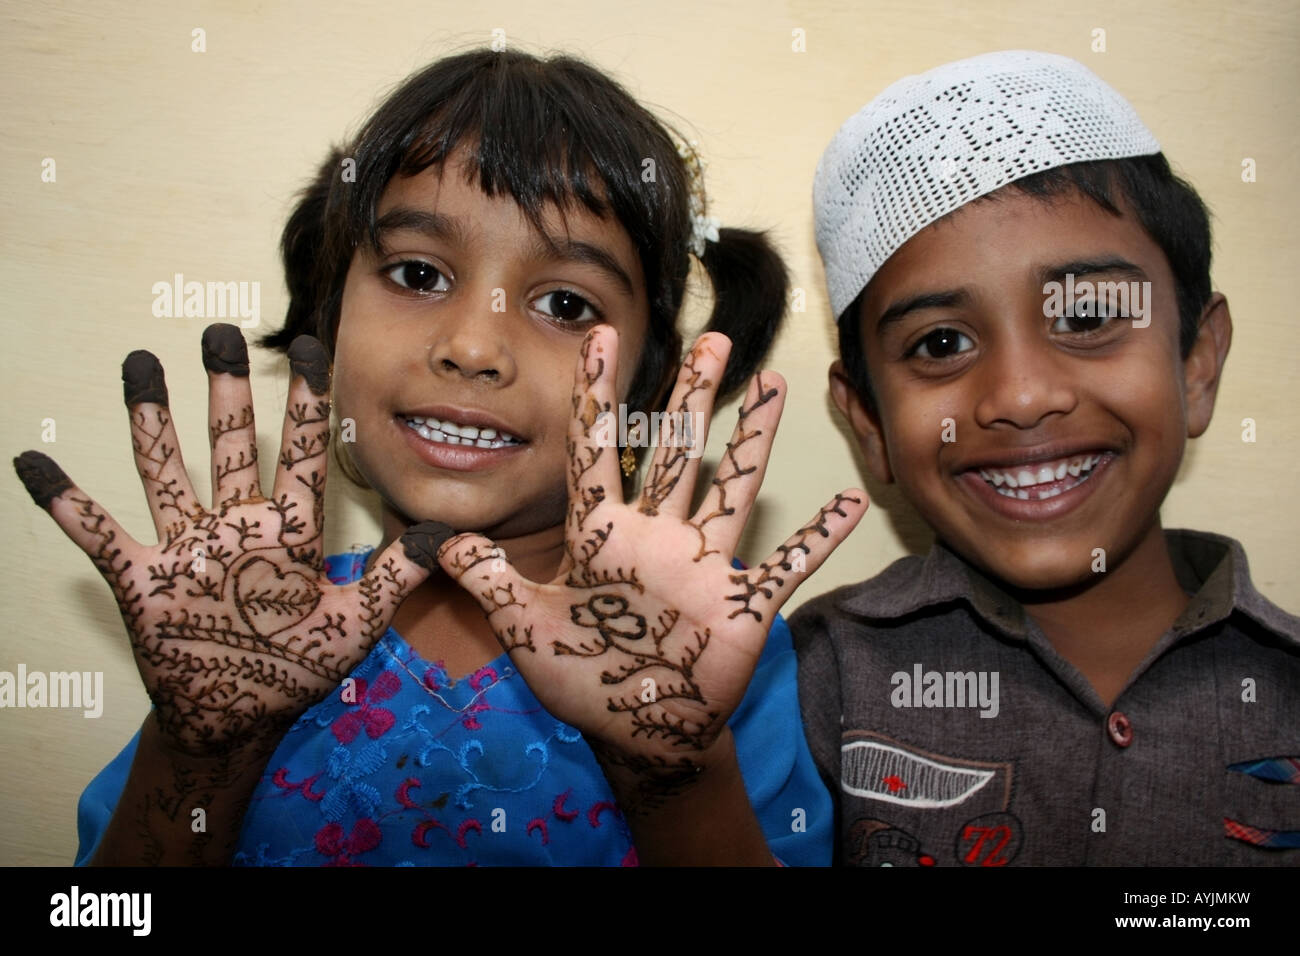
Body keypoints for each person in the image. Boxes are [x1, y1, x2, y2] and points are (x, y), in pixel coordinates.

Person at [13, 49, 866, 866]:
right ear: (331, 326)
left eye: (565, 302)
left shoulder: (709, 644)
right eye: (418, 276)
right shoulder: (242, 618)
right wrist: (202, 753)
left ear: (645, 389)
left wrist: (671, 776)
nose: (471, 345)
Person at [793, 50, 1300, 866]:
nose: (1023, 396)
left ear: (1197, 361)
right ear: (870, 424)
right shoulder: (813, 681)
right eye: (942, 342)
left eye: (1089, 315)